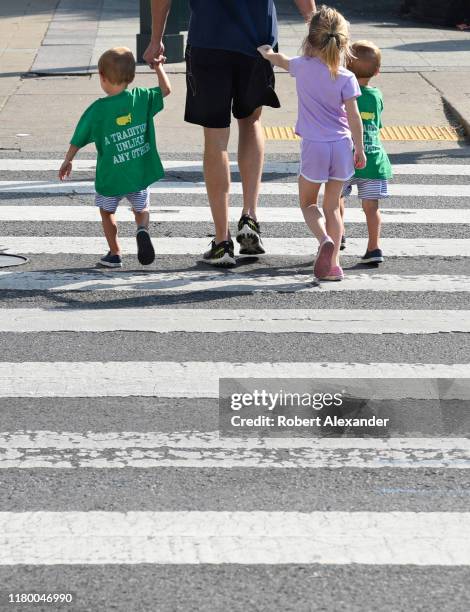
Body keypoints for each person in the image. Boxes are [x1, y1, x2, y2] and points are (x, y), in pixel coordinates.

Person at [144, 0, 316, 267]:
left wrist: (156, 39)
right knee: (251, 122)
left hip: (209, 39)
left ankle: (222, 241)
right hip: (258, 42)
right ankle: (249, 216)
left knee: (215, 138)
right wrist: (316, 29)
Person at [258, 5, 366, 281]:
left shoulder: (302, 67)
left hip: (314, 146)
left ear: (310, 38)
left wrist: (266, 53)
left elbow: (280, 59)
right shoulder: (347, 77)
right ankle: (335, 266)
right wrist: (360, 149)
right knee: (333, 206)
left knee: (308, 203)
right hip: (342, 145)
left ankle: (323, 240)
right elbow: (355, 118)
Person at [59, 47, 171, 268]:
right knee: (142, 209)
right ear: (131, 76)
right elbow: (166, 90)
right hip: (138, 175)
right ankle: (142, 230)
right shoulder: (141, 97)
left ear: (102, 77)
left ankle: (115, 252)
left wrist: (68, 159)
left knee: (107, 212)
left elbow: (79, 137)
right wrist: (158, 67)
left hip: (111, 178)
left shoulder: (98, 110)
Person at [339, 40, 393, 264]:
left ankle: (337, 233)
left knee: (336, 198)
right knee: (371, 208)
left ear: (346, 68)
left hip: (344, 159)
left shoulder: (342, 90)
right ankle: (374, 248)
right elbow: (377, 125)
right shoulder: (376, 96)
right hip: (374, 161)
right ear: (377, 71)